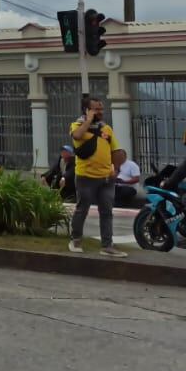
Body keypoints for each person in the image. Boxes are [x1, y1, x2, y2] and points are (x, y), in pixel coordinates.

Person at [68, 96, 127, 256]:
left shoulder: (106, 129)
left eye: (101, 109)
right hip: (86, 177)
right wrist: (88, 120)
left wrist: (116, 170)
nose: (100, 112)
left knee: (107, 211)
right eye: (96, 109)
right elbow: (77, 136)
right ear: (87, 110)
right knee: (82, 209)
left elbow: (116, 150)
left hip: (106, 178)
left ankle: (107, 246)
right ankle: (76, 240)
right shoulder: (77, 125)